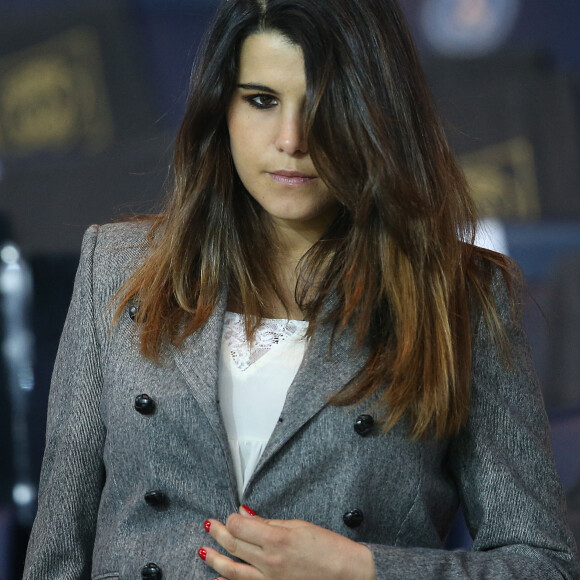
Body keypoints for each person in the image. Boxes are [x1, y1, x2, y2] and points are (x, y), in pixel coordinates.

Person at [23, 0, 579, 578]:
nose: (292, 138)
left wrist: (360, 569)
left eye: (325, 102)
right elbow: (56, 553)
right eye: (261, 100)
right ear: (222, 109)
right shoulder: (114, 269)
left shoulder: (458, 297)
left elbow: (542, 566)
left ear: (376, 111)